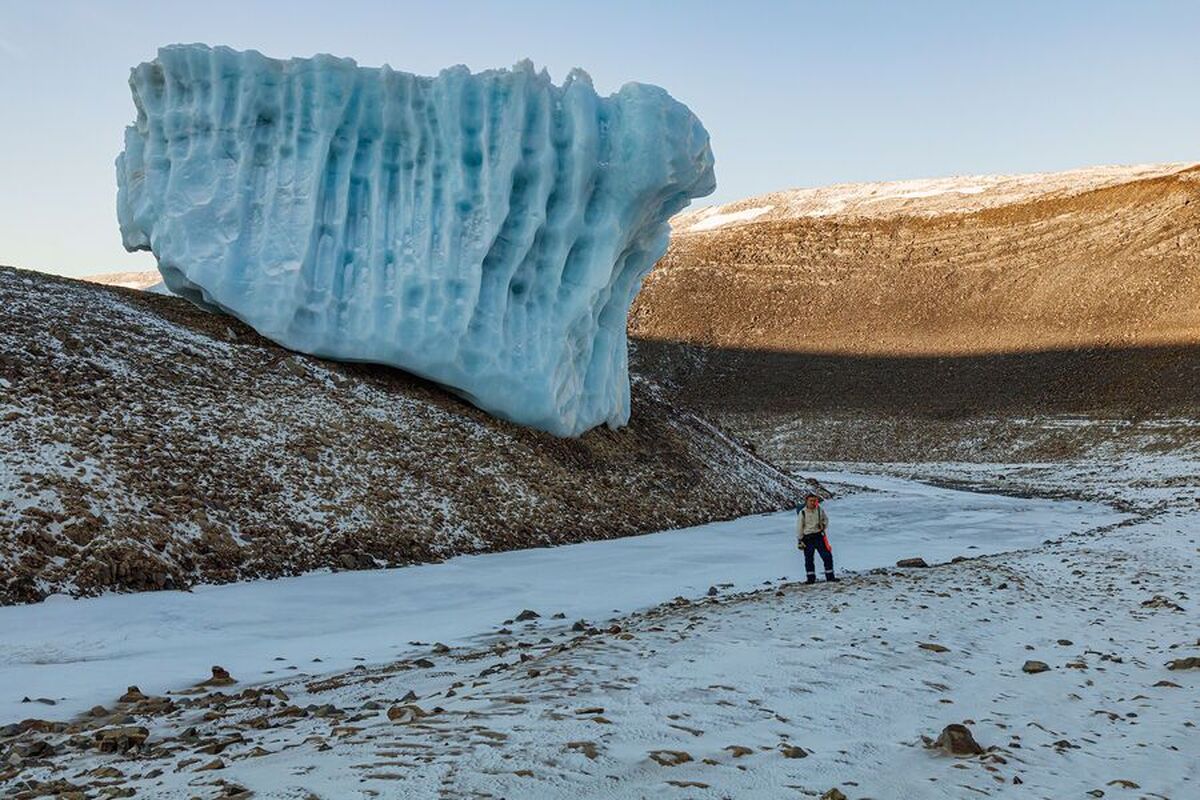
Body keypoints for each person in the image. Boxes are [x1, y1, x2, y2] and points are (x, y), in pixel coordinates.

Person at [796, 493, 837, 583]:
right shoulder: (802, 512)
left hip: (819, 536)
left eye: (814, 500)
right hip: (807, 538)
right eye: (811, 500)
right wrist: (799, 539)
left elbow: (825, 519)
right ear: (806, 501)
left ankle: (830, 577)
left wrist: (823, 525)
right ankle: (810, 579)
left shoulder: (819, 510)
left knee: (827, 556)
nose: (813, 502)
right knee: (809, 559)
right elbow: (799, 527)